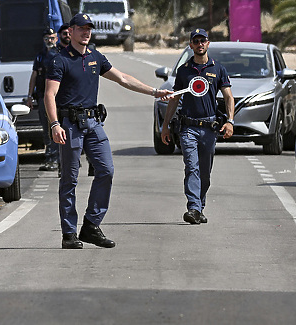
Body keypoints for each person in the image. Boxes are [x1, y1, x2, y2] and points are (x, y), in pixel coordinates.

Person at [44, 13, 171, 249]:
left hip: (93, 123)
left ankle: (91, 225)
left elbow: (123, 78)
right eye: (81, 28)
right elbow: (49, 94)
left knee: (106, 170)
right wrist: (54, 124)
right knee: (70, 180)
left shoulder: (95, 56)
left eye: (89, 28)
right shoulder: (59, 60)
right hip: (69, 125)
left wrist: (154, 92)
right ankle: (69, 233)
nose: (86, 32)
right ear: (70, 32)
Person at [160, 28, 234, 225]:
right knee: (191, 167)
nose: (200, 44)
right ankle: (193, 207)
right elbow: (175, 99)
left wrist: (230, 121)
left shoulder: (218, 69)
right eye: (196, 41)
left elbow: (228, 97)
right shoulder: (184, 70)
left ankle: (199, 206)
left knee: (204, 172)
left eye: (203, 40)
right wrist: (165, 126)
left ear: (208, 43)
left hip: (210, 128)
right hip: (188, 128)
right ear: (191, 45)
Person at [25, 28, 61, 174]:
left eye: (52, 38)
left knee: (59, 127)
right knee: (47, 130)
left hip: (58, 98)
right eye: (46, 38)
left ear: (56, 39)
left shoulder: (60, 54)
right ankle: (51, 158)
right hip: (42, 97)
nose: (49, 41)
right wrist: (29, 96)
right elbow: (34, 76)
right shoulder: (40, 56)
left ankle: (60, 159)